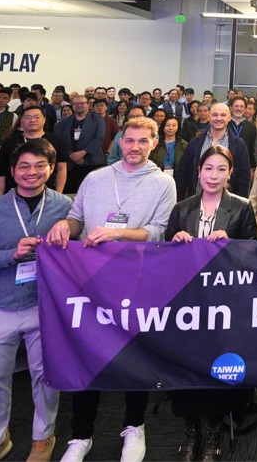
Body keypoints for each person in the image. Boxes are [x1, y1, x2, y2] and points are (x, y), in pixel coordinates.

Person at [46, 117, 176, 462]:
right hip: (91, 283)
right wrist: (64, 225)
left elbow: (159, 231)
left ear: (154, 143)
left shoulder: (164, 183)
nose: (135, 147)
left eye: (143, 141)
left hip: (138, 281)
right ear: (119, 141)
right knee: (86, 355)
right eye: (129, 140)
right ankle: (81, 435)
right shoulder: (95, 178)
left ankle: (134, 425)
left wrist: (118, 233)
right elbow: (76, 219)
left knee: (135, 356)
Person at [0, 139, 72, 461]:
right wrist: (11, 254)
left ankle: (43, 437)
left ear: (51, 169)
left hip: (45, 308)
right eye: (24, 166)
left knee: (46, 377)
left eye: (40, 166)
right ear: (12, 171)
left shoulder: (66, 209)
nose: (31, 172)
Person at [166, 146, 257, 462]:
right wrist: (175, 243)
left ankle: (213, 430)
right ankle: (191, 430)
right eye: (208, 168)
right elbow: (164, 258)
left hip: (224, 304)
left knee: (219, 365)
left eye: (221, 169)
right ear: (198, 171)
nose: (213, 175)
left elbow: (251, 256)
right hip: (188, 304)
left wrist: (232, 246)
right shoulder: (181, 209)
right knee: (187, 364)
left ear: (230, 173)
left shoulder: (242, 207)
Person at [175, 102, 251, 201]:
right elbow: (182, 174)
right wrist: (180, 202)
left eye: (223, 115)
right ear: (209, 117)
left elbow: (243, 178)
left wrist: (239, 206)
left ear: (229, 118)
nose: (218, 118)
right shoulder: (194, 143)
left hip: (227, 205)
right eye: (215, 115)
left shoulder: (239, 145)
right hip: (197, 202)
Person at [0, 106, 68, 195]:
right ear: (21, 121)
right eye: (28, 117)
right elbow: (1, 174)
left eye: (37, 117)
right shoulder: (9, 143)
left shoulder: (56, 141)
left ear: (44, 120)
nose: (32, 120)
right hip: (14, 193)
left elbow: (61, 170)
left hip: (48, 193)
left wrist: (58, 194)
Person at [55, 94, 105, 194]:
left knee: (91, 193)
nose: (79, 105)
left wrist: (83, 153)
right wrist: (72, 155)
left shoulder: (98, 119)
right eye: (76, 104)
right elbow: (60, 141)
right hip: (70, 163)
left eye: (82, 103)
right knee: (69, 194)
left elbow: (99, 138)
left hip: (91, 162)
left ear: (88, 105)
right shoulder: (64, 122)